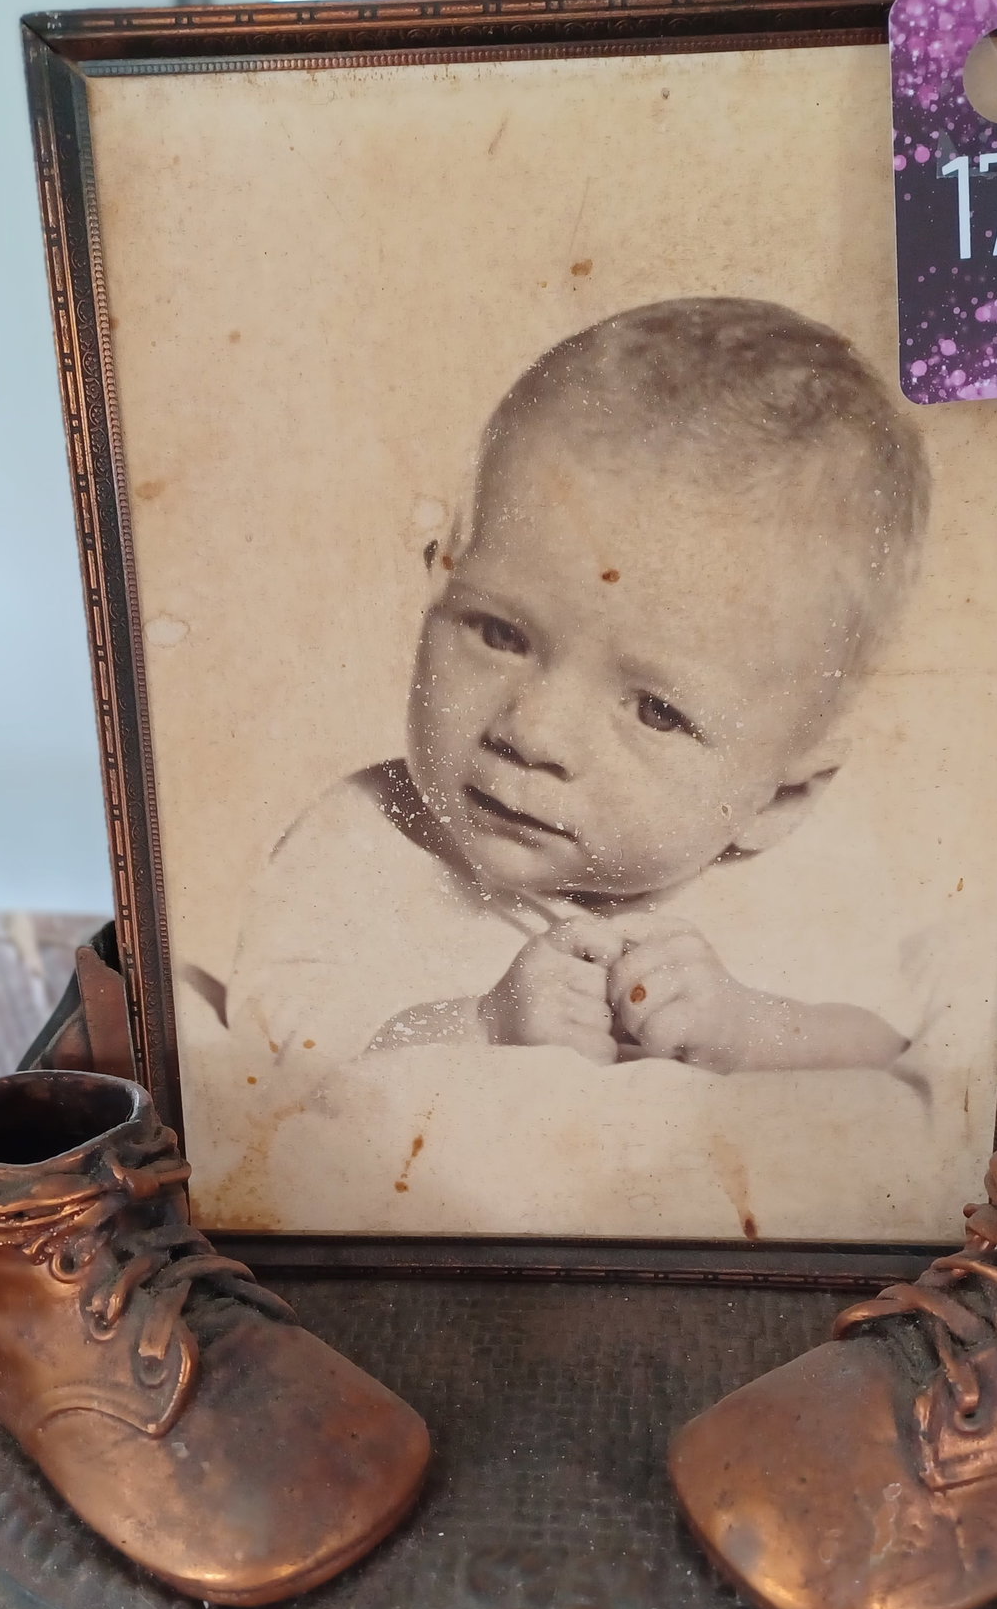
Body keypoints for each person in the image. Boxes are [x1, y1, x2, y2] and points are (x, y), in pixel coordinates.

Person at [224, 296, 931, 1082]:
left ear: (780, 800)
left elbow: (897, 1055)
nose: (534, 731)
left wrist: (751, 1029)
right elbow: (268, 1049)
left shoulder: (816, 882)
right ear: (439, 583)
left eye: (657, 710)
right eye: (500, 633)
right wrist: (476, 1028)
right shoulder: (363, 841)